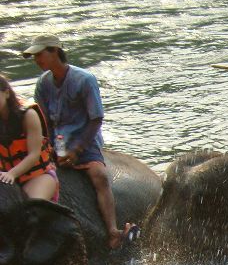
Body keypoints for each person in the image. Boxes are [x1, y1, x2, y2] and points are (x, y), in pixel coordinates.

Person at [22, 33, 133, 247]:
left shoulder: (85, 80)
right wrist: (48, 147)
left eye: (39, 55)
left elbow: (96, 118)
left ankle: (112, 230)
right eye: (34, 57)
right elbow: (41, 119)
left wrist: (77, 150)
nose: (37, 61)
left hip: (84, 141)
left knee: (99, 176)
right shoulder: (43, 83)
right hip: (55, 142)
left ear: (55, 51)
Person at [0, 73, 59, 203]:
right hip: (5, 177)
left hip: (38, 175)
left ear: (6, 93)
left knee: (31, 209)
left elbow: (34, 155)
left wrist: (12, 174)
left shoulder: (28, 115)